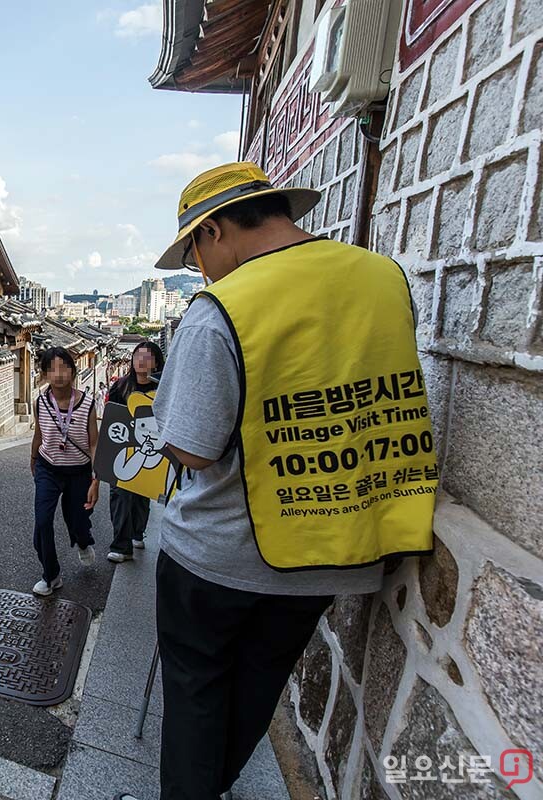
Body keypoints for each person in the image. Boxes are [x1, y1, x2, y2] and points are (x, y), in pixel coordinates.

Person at [122, 163, 436, 800]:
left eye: (194, 252)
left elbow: (192, 448)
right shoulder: (383, 280)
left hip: (218, 557)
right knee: (253, 696)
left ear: (215, 231)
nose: (199, 268)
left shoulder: (220, 311)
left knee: (197, 696)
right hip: (330, 549)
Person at [29, 347, 100, 596]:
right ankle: (51, 575)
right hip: (48, 468)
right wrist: (33, 458)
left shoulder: (87, 403)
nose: (58, 374)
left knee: (78, 519)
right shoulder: (40, 402)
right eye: (52, 369)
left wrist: (96, 479)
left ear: (73, 370)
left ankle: (83, 541)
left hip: (79, 471)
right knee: (42, 521)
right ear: (45, 374)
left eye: (63, 367)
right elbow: (39, 433)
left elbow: (93, 443)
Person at [104, 340, 164, 561]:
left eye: (148, 357)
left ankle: (137, 532)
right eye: (138, 355)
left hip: (152, 448)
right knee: (119, 493)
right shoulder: (120, 386)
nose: (142, 360)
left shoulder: (163, 389)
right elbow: (112, 418)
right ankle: (121, 545)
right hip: (122, 447)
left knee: (142, 494)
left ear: (156, 362)